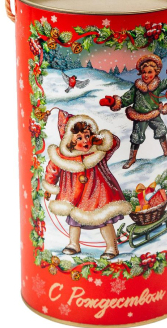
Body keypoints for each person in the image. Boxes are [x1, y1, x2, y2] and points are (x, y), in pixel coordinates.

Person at [42, 110, 132, 260]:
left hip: (98, 193)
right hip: (74, 195)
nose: (85, 141)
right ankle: (73, 244)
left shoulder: (96, 151)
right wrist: (49, 186)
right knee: (74, 221)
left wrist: (103, 139)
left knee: (104, 218)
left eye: (87, 136)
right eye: (79, 138)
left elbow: (113, 143)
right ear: (69, 140)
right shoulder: (62, 156)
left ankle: (111, 247)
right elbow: (53, 170)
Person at [99, 54, 167, 169]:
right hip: (140, 116)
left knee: (161, 130)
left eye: (149, 72)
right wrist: (114, 102)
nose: (146, 75)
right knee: (136, 137)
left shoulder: (157, 86)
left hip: (154, 114)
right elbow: (127, 98)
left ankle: (166, 150)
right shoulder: (137, 88)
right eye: (144, 72)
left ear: (156, 73)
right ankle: (132, 158)